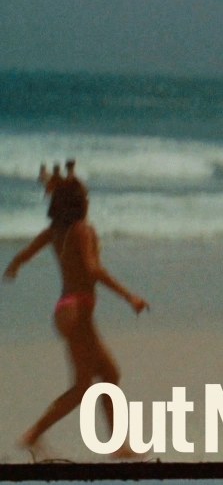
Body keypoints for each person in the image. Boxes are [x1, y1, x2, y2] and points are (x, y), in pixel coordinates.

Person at [3, 179, 149, 457]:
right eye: (84, 195)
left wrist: (13, 267)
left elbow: (23, 255)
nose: (88, 199)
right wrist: (129, 296)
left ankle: (117, 444)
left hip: (65, 309)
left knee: (109, 374)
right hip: (79, 310)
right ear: (77, 202)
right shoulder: (83, 230)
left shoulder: (54, 232)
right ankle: (33, 434)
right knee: (84, 387)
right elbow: (93, 269)